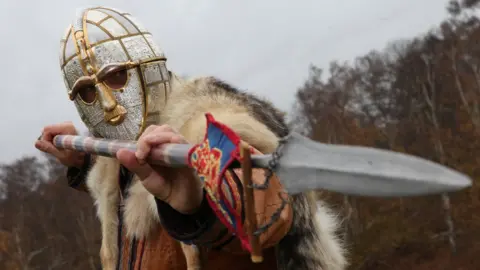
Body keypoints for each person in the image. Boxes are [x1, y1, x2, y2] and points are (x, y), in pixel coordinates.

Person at [36, 6, 347, 270]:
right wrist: (82, 160)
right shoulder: (117, 157)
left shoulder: (211, 119)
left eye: (117, 75)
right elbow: (129, 180)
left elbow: (259, 196)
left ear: (148, 67)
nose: (106, 104)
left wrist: (197, 200)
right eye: (88, 91)